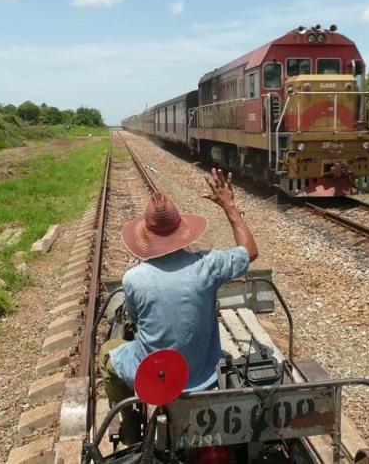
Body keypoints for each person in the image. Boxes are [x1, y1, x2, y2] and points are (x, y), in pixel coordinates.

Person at [98, 168, 258, 433]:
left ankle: (129, 424)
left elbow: (135, 323)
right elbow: (249, 252)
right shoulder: (208, 266)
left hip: (157, 381)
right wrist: (229, 206)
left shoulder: (133, 279)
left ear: (146, 237)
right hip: (205, 376)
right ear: (182, 230)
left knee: (108, 353)